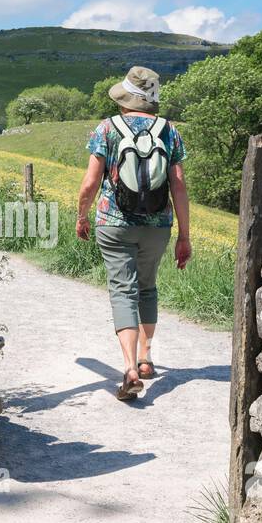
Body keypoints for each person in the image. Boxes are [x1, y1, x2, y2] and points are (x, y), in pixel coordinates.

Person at [76, 66, 191, 401]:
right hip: (158, 225)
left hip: (114, 222)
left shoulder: (107, 128)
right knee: (147, 286)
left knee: (123, 291)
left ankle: (127, 368)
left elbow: (90, 183)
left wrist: (82, 216)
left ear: (124, 99)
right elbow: (179, 187)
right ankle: (146, 358)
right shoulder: (169, 131)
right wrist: (184, 236)